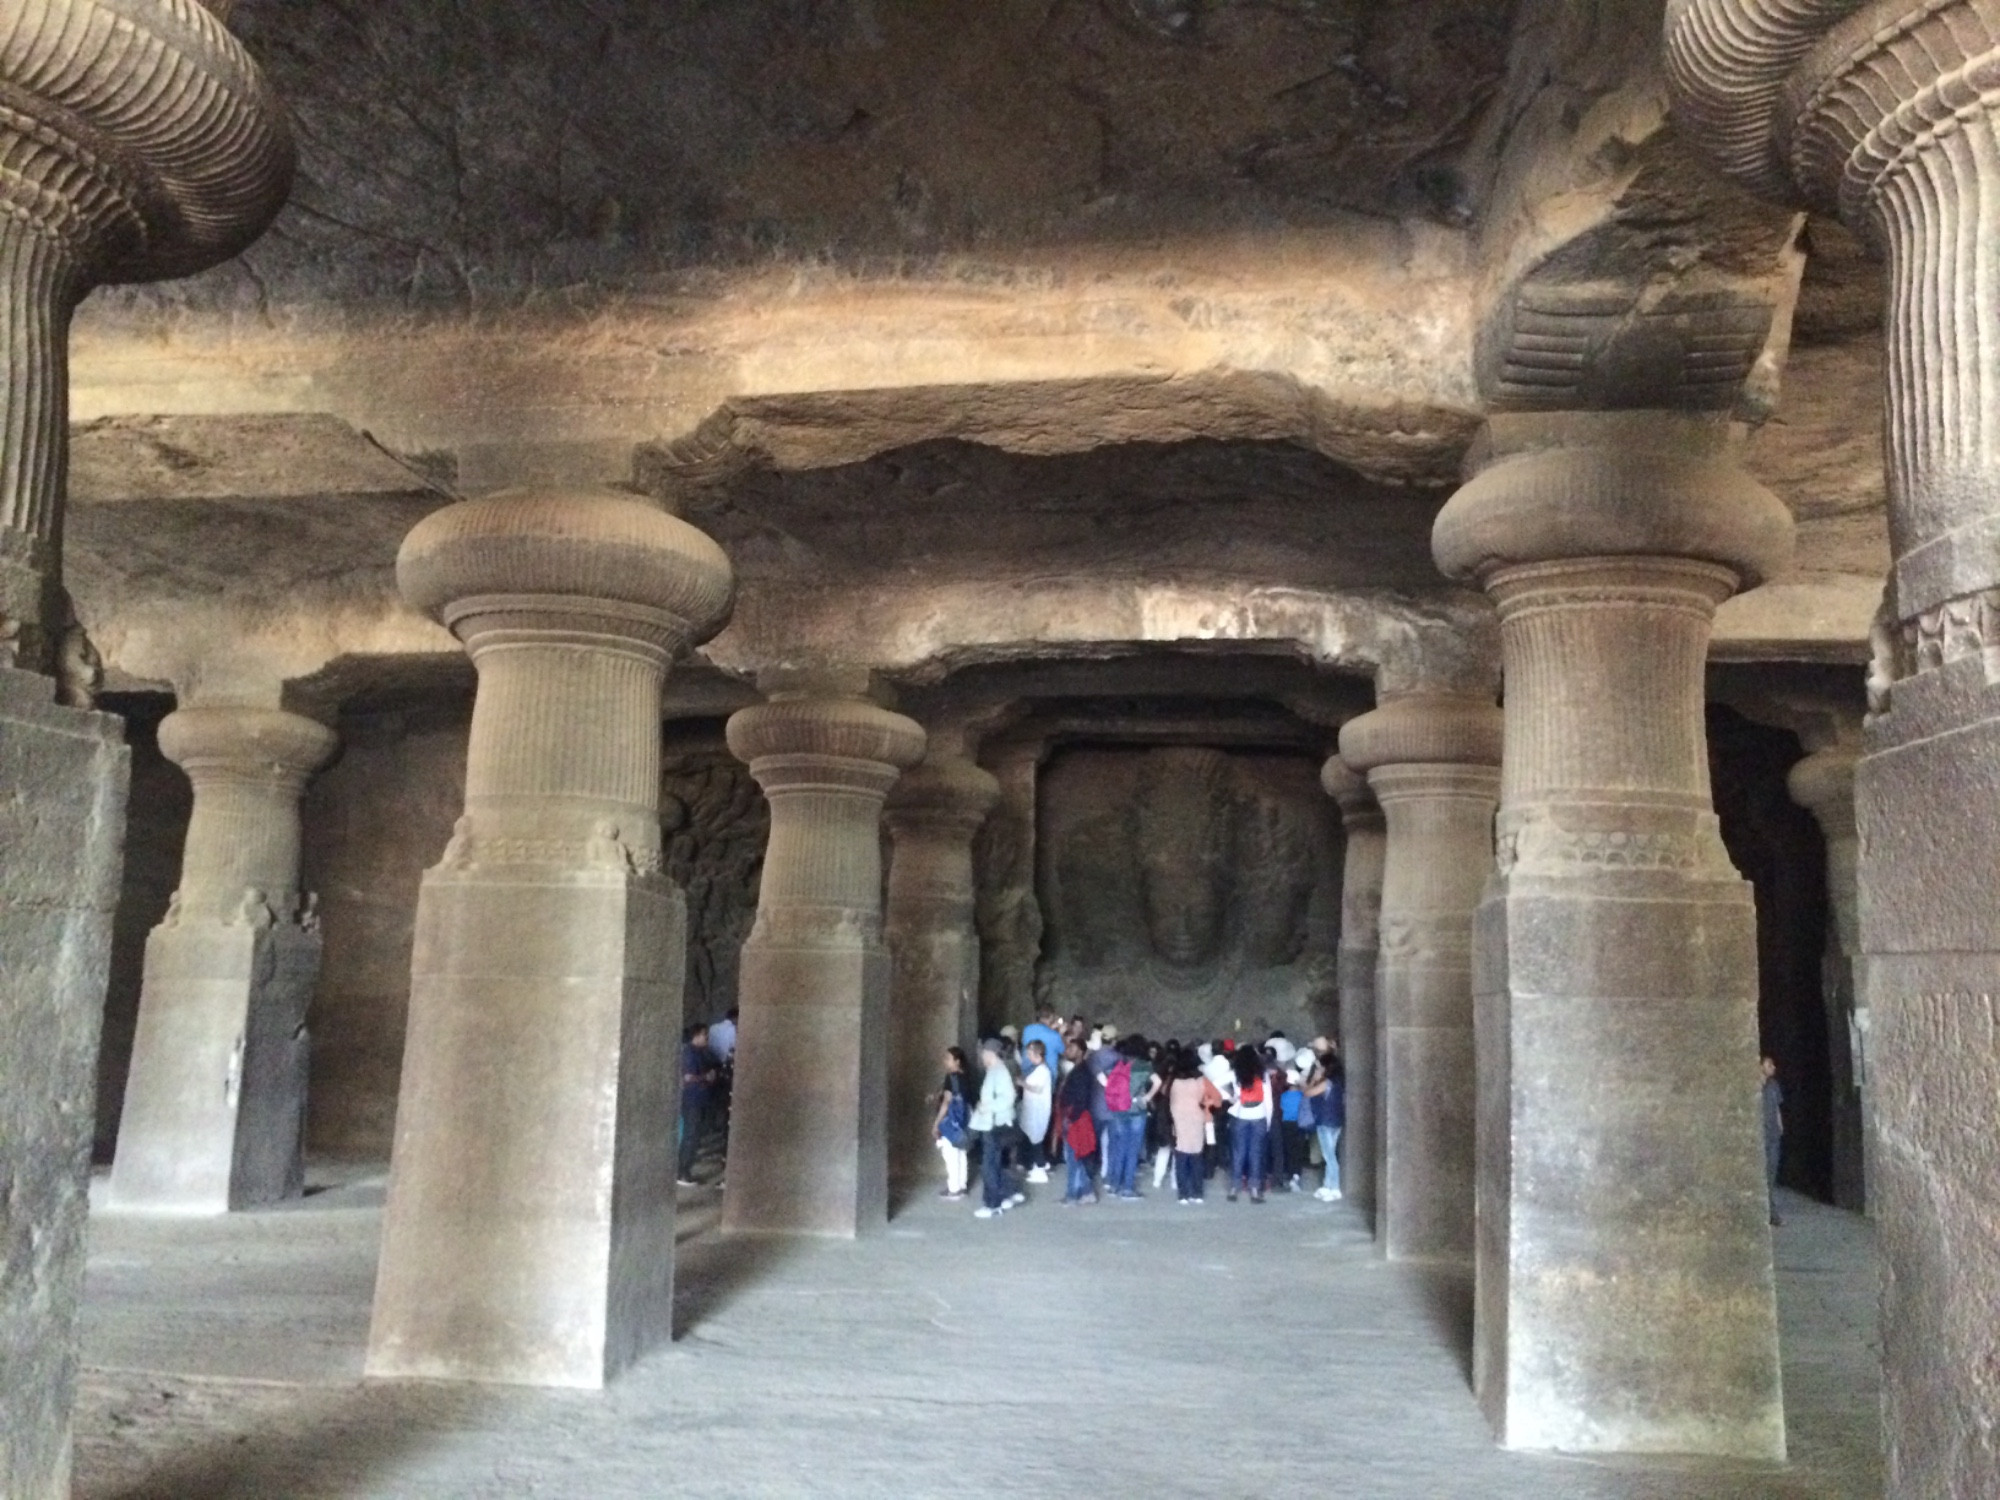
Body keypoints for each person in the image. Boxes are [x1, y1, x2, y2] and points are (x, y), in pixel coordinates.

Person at [970, 1039, 1024, 1219]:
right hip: (994, 1123)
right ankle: (1007, 1193)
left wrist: (987, 1106)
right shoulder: (995, 1071)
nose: (981, 1057)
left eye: (983, 1053)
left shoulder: (998, 1072)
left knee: (989, 1166)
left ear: (990, 1053)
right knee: (995, 1163)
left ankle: (992, 1204)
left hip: (994, 1124)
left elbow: (1009, 1097)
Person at [1225, 1045, 1272, 1202]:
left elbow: (1215, 1083)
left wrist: (1231, 1098)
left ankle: (1234, 1188)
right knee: (1256, 1154)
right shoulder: (1262, 1074)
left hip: (1241, 1115)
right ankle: (1254, 1190)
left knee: (1238, 1153)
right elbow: (1268, 1100)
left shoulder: (1235, 1074)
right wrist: (1269, 1121)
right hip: (1259, 1116)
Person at [1302, 1037, 1345, 1202]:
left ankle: (1334, 1188)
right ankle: (1328, 1185)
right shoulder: (1337, 1081)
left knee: (1329, 1156)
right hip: (1335, 1120)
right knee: (1330, 1154)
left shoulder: (1326, 1082)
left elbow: (1307, 1093)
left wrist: (1314, 1078)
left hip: (1325, 1121)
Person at [677, 1022, 720, 1187]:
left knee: (694, 1135)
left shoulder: (701, 1052)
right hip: (692, 1099)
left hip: (700, 1098)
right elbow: (687, 1077)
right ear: (696, 1036)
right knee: (690, 1136)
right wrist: (706, 1077)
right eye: (704, 1035)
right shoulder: (689, 1053)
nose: (707, 1038)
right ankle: (682, 1172)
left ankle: (684, 1170)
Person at [1056, 1040, 1099, 1204]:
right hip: (1075, 1117)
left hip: (1076, 1119)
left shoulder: (1081, 1072)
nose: (1068, 1051)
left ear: (1081, 1051)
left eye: (1072, 1048)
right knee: (1076, 1157)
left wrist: (1070, 1118)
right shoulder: (1080, 1070)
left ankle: (1072, 1195)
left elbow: (1081, 1099)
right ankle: (1087, 1192)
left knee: (1073, 1158)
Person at [1167, 1051, 1213, 1204]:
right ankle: (1197, 1193)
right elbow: (1208, 1097)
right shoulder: (1201, 1080)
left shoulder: (1175, 1081)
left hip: (1179, 1118)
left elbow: (1170, 1100)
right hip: (1196, 1117)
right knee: (1197, 1155)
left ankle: (1183, 1194)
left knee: (1181, 1156)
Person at [933, 1046, 972, 1199]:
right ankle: (961, 1185)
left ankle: (953, 1189)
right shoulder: (966, 1076)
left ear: (957, 1061)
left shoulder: (951, 1077)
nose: (945, 1061)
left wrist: (936, 1123)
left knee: (950, 1154)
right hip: (965, 1119)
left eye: (948, 1058)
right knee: (961, 1152)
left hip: (952, 1120)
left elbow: (947, 1102)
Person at [1019, 1039, 1054, 1183]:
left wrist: (1022, 1083)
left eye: (1030, 1054)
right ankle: (1037, 1166)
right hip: (1033, 1110)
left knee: (1036, 1140)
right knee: (1033, 1139)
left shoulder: (1043, 1071)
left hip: (1037, 1111)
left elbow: (1037, 1088)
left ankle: (1040, 1169)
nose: (1028, 1057)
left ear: (1038, 1054)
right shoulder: (1038, 1070)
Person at [1762, 1054, 1784, 1227]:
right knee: (1764, 1177)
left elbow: (1777, 1107)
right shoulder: (1756, 1087)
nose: (1773, 1068)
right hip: (1762, 1136)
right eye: (1770, 1065)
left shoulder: (1774, 1085)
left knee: (1771, 1176)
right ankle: (1769, 1214)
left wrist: (1780, 1125)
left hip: (1773, 1136)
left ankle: (1773, 1215)